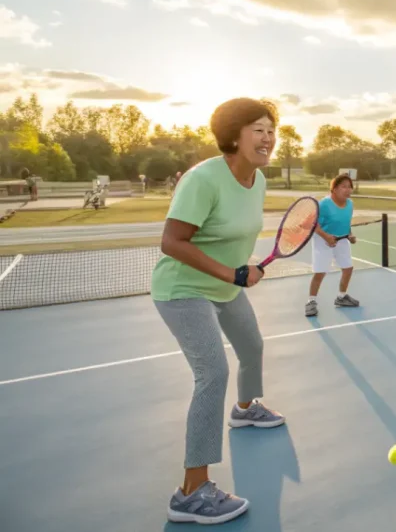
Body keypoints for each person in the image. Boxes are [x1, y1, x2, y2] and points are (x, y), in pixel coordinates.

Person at [151, 97, 286, 525]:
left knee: (251, 345)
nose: (267, 137)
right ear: (233, 135)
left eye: (271, 128)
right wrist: (231, 273)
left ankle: (246, 409)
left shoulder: (258, 179)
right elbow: (172, 242)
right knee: (213, 373)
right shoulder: (203, 179)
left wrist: (240, 272)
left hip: (225, 285)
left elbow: (237, 234)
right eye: (257, 128)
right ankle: (191, 492)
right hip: (183, 289)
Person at [305, 173, 360, 317]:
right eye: (344, 187)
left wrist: (350, 234)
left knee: (348, 268)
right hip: (323, 240)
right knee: (320, 272)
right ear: (334, 189)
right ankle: (311, 301)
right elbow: (311, 224)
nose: (348, 190)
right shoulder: (324, 204)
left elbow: (346, 222)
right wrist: (326, 237)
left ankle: (341, 297)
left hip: (341, 240)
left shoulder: (350, 204)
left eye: (350, 187)